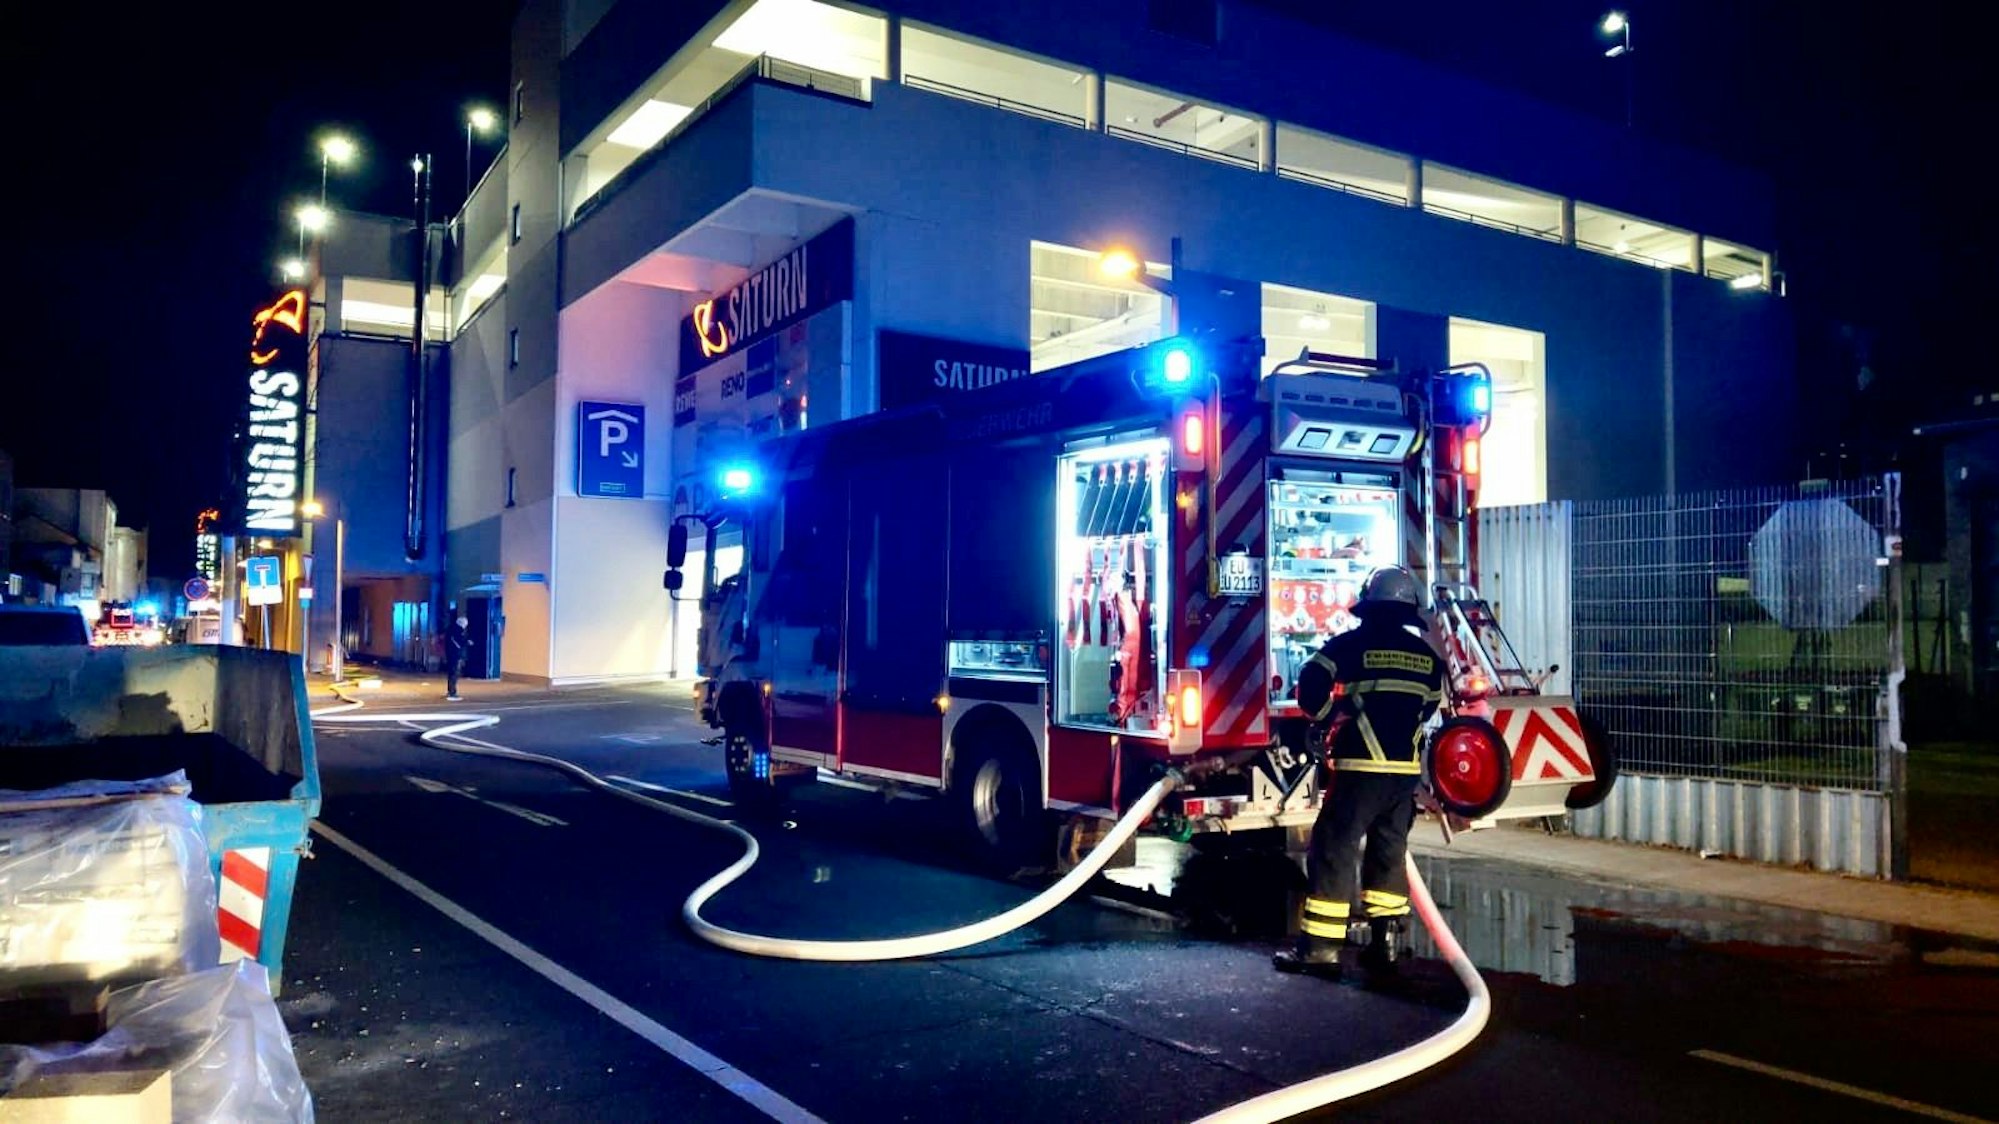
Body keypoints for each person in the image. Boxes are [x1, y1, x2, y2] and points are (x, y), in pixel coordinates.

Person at [1274, 565, 1444, 982]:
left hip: (1359, 769)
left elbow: (1309, 686)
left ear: (1369, 606)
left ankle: (1320, 949)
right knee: (1388, 853)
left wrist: (1334, 716)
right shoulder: (1427, 658)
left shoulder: (1347, 646)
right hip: (1403, 774)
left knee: (1334, 848)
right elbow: (1428, 708)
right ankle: (1384, 944)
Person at [443, 615, 470, 701]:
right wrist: (466, 642)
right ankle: (452, 692)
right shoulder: (457, 631)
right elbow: (459, 642)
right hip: (455, 655)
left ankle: (450, 691)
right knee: (454, 673)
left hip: (450, 654)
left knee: (451, 672)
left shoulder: (450, 629)